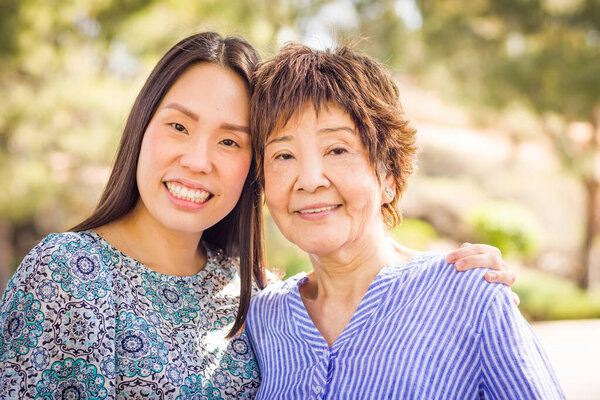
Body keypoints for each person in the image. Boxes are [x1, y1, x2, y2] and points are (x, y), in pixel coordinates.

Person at [0, 32, 515, 399]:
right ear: (141, 129)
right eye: (179, 127)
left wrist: (455, 282)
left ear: (251, 171)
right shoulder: (65, 274)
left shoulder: (250, 298)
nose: (198, 160)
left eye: (229, 140)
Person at [246, 43, 565, 399]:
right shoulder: (263, 319)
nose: (309, 179)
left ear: (389, 176)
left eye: (337, 150)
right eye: (283, 155)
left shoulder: (468, 294)